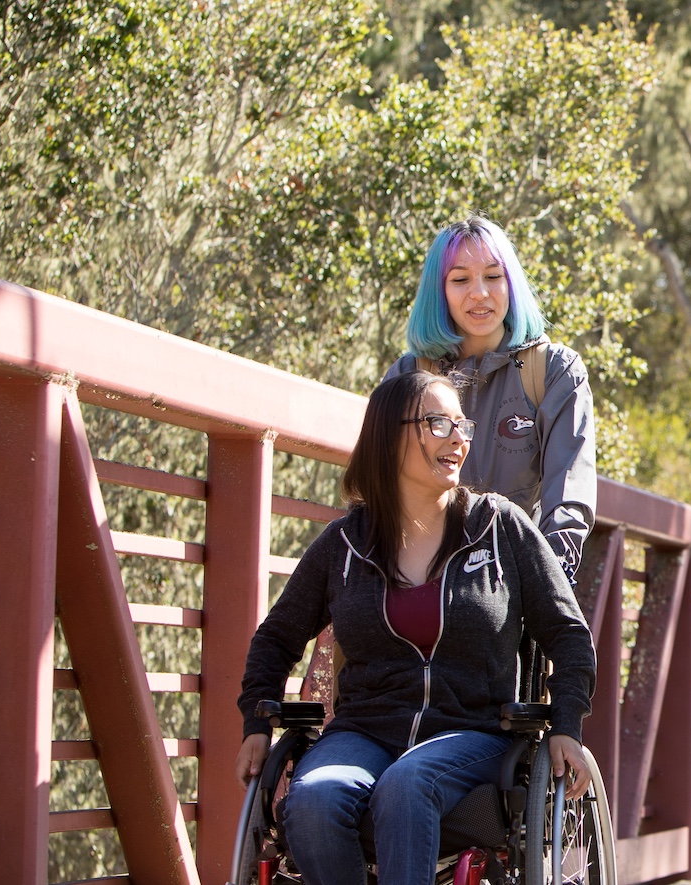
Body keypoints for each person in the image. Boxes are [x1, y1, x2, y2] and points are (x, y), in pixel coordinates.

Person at [235, 371, 597, 885]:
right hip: (364, 730)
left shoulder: (499, 527)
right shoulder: (345, 544)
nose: (458, 437)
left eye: (461, 424)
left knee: (408, 783)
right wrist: (255, 722)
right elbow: (275, 639)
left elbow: (568, 634)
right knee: (313, 798)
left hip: (472, 731)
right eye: (438, 423)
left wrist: (566, 724)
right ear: (390, 435)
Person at [389, 216, 596, 579]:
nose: (480, 293)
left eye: (493, 276)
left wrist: (545, 588)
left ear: (511, 282)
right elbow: (379, 484)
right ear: (439, 291)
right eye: (460, 279)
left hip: (514, 580)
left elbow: (568, 499)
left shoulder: (554, 372)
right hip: (421, 580)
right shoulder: (408, 375)